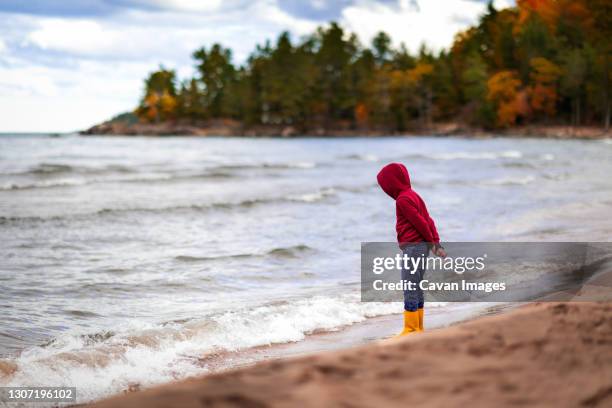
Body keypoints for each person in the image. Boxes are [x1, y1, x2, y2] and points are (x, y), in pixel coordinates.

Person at [377, 163, 445, 336]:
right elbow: (429, 220)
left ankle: (411, 328)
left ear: (392, 183)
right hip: (421, 247)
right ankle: (418, 326)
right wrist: (435, 243)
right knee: (416, 286)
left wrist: (432, 243)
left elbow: (421, 222)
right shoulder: (414, 195)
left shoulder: (403, 199)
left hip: (414, 248)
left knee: (410, 286)